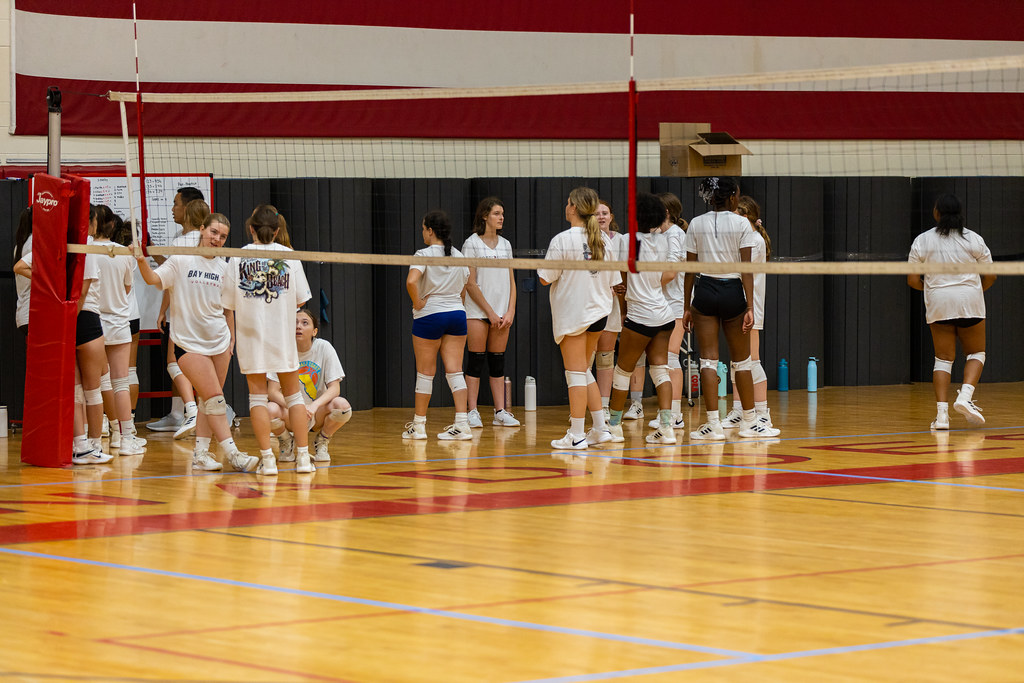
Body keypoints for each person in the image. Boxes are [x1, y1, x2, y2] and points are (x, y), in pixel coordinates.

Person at [137, 213, 255, 472]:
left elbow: (228, 309)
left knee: (208, 402)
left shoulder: (224, 268)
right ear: (202, 229)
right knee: (215, 399)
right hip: (188, 344)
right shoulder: (180, 259)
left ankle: (200, 455)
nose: (217, 239)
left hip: (219, 341)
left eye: (222, 236)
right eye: (213, 232)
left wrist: (231, 338)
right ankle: (233, 454)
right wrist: (138, 258)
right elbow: (153, 280)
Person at [682, 177, 780, 440]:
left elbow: (689, 270)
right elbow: (746, 268)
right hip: (732, 291)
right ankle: (749, 421)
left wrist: (686, 306)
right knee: (743, 361)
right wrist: (749, 305)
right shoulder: (741, 223)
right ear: (733, 198)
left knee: (708, 360)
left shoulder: (696, 224)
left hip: (704, 290)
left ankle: (712, 424)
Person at [16, 206, 113, 464]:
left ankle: (81, 445)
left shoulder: (58, 241)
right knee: (94, 389)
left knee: (76, 388)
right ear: (90, 222)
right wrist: (70, 316)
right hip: (84, 317)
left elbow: (19, 266)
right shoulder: (85, 245)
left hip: (64, 315)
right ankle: (94, 445)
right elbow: (82, 291)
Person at [222, 204, 314, 475]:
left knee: (257, 399)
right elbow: (302, 299)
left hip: (252, 339)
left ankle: (268, 460)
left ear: (251, 229)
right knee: (294, 397)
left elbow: (227, 302)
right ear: (276, 231)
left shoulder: (237, 258)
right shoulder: (289, 256)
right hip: (282, 338)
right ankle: (304, 459)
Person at [537, 186, 620, 450]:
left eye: (567, 203)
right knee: (584, 371)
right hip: (598, 314)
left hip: (574, 315)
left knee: (574, 374)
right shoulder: (605, 240)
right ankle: (599, 429)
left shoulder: (562, 240)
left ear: (573, 207)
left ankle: (576, 435)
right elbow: (614, 281)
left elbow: (544, 277)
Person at [908, 193, 995, 429]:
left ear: (937, 213)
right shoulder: (974, 239)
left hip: (939, 302)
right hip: (970, 300)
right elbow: (991, 275)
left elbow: (913, 280)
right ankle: (965, 397)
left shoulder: (922, 240)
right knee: (977, 353)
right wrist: (975, 293)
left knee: (943, 360)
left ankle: (943, 417)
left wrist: (933, 290)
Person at [606, 193, 678, 444]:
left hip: (640, 316)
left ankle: (613, 427)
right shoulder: (663, 242)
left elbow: (620, 278)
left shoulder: (625, 241)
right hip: (664, 314)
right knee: (660, 370)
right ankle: (667, 429)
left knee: (622, 371)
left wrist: (624, 309)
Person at [402, 210, 472, 441]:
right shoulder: (459, 256)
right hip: (456, 315)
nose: (422, 233)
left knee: (425, 372)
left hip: (430, 315)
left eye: (423, 228)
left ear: (430, 231)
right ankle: (462, 424)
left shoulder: (422, 253)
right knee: (455, 371)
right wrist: (455, 305)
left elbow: (411, 281)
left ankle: (419, 426)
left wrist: (418, 302)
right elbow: (465, 286)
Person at [147, 186, 204, 433]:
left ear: (188, 208)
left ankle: (192, 411)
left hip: (183, 313)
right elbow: (172, 268)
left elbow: (170, 278)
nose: (172, 209)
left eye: (176, 203)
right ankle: (178, 412)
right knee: (196, 364)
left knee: (175, 362)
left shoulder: (182, 242)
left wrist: (161, 311)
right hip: (205, 314)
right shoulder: (209, 241)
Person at [93, 206, 147, 455]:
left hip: (95, 324)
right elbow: (127, 289)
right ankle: (124, 439)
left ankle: (98, 434)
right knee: (121, 382)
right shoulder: (125, 253)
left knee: (96, 383)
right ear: (113, 225)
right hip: (119, 324)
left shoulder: (87, 251)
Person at [462, 197, 519, 428]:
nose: (501, 217)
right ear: (484, 216)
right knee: (475, 361)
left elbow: (511, 280)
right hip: (477, 311)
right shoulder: (472, 244)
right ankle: (472, 411)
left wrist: (511, 310)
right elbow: (470, 283)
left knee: (498, 363)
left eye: (502, 213)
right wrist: (490, 312)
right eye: (496, 213)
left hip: (503, 313)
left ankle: (500, 412)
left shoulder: (506, 245)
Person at [267, 308, 352, 464]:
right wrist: (295, 406)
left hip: (316, 413)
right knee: (269, 410)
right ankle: (286, 440)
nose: (298, 326)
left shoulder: (324, 348)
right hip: (290, 412)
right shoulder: (282, 351)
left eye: (304, 323)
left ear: (314, 331)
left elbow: (335, 388)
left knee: (343, 406)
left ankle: (323, 440)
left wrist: (313, 406)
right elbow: (272, 392)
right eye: (295, 323)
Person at [723, 196, 775, 430]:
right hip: (736, 306)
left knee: (752, 360)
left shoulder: (754, 241)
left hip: (750, 308)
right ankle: (738, 410)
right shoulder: (743, 238)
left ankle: (763, 413)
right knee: (738, 361)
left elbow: (741, 272)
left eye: (736, 217)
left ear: (747, 218)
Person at [648, 192, 688, 432]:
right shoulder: (655, 235)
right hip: (658, 303)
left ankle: (676, 414)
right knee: (661, 361)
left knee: (672, 357)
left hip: (675, 303)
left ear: (665, 212)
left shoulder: (676, 234)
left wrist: (645, 284)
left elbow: (671, 272)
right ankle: (668, 413)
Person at [594, 200, 624, 416]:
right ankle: (585, 404)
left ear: (611, 217)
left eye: (605, 213)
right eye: (596, 214)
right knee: (585, 358)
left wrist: (620, 286)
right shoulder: (582, 241)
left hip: (613, 305)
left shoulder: (621, 241)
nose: (601, 217)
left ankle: (604, 405)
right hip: (590, 304)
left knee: (606, 356)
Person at [13, 207, 32, 337]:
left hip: (23, 314)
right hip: (32, 313)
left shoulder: (20, 244)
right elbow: (18, 267)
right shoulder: (35, 241)